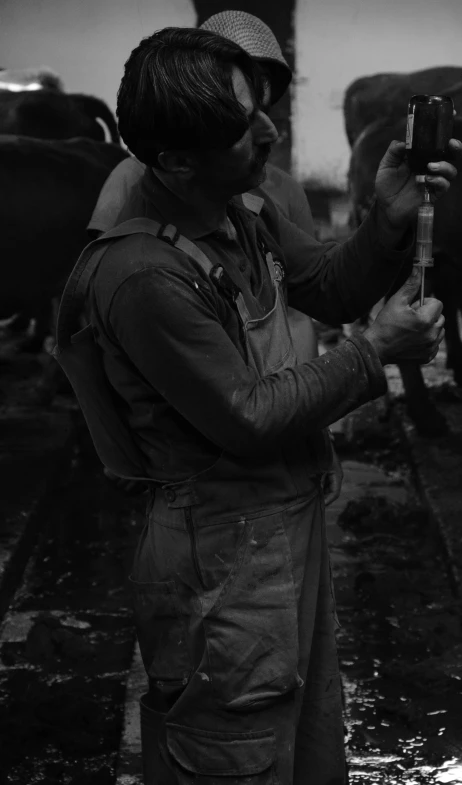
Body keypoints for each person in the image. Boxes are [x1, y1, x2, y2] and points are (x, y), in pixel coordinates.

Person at [58, 26, 460, 785]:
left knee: (303, 743)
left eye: (259, 105)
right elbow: (245, 418)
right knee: (234, 751)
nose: (268, 129)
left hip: (278, 527)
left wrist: (387, 217)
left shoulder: (241, 210)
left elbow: (330, 286)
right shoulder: (144, 273)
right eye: (242, 126)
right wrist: (374, 352)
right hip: (218, 557)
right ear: (174, 160)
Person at [88, 11, 345, 505]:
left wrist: (315, 433)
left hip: (273, 438)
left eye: (260, 87)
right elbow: (107, 315)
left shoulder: (274, 194)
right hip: (206, 470)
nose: (261, 117)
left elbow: (299, 313)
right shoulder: (134, 188)